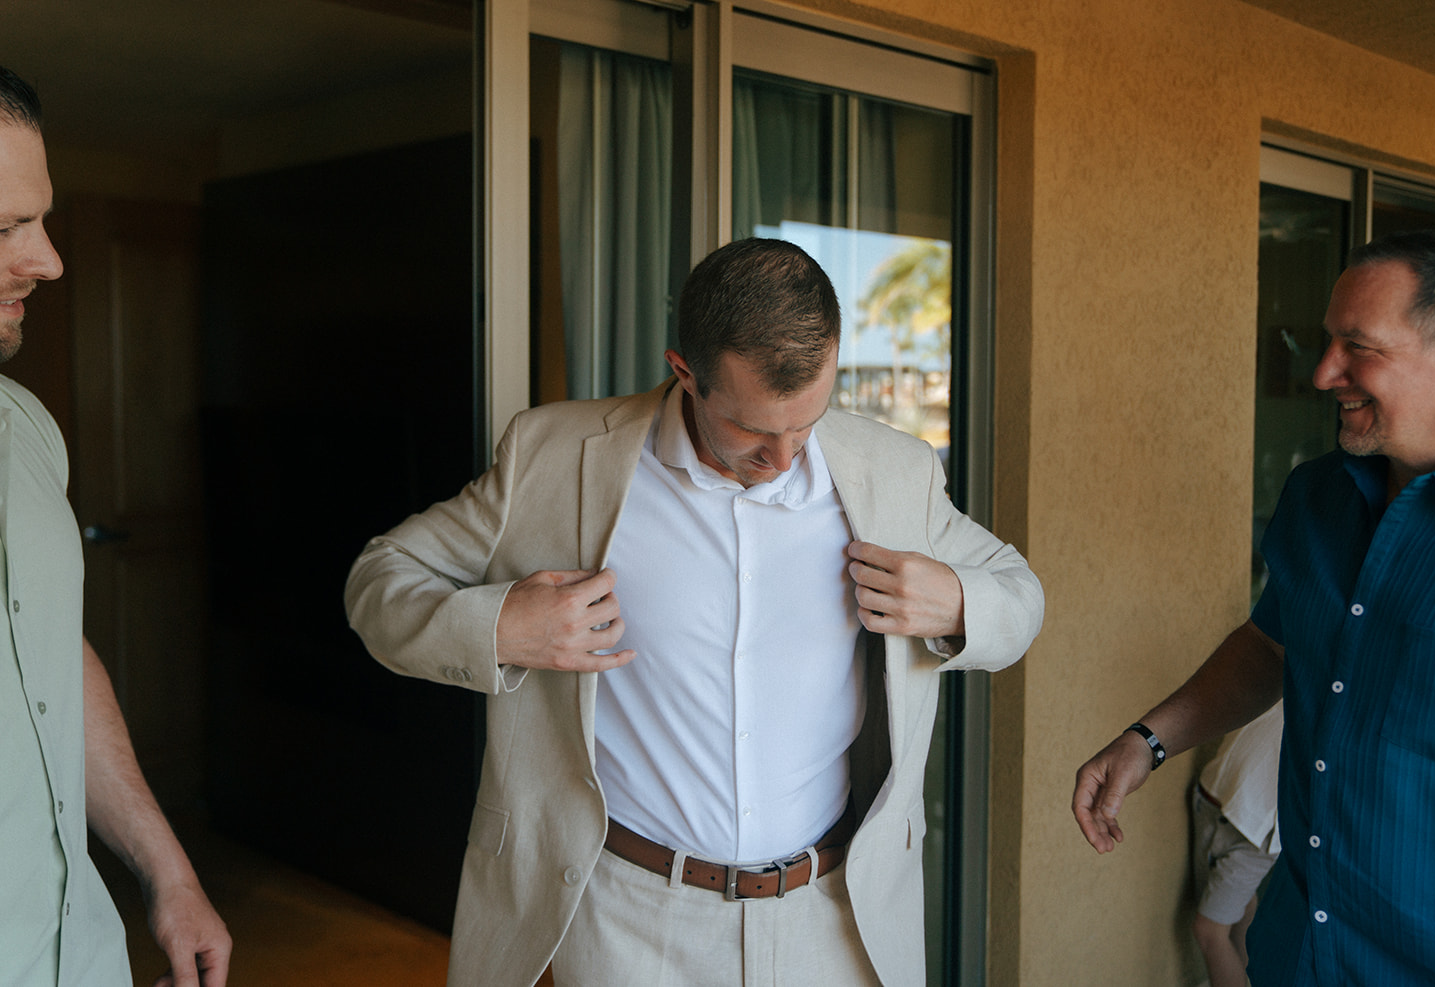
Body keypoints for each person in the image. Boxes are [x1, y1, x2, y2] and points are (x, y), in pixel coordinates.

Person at [345, 236, 1044, 987]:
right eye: (756, 430)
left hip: (832, 920)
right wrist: (502, 626)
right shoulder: (551, 455)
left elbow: (1020, 592)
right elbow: (379, 577)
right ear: (686, 373)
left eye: (807, 421)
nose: (786, 456)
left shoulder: (895, 471)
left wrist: (957, 601)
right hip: (629, 921)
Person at [1073, 229, 1435, 986]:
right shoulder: (1317, 496)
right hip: (1298, 960)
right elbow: (1275, 643)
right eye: (1327, 341)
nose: (1324, 372)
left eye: (1359, 346)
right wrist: (1150, 739)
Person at [0, 66, 231, 986]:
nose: (50, 259)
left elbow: (49, 653)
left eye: (40, 218)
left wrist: (166, 871)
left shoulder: (26, 428)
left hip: (79, 955)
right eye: (5, 227)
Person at [1190, 700, 1281, 987]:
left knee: (1208, 931)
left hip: (1258, 836)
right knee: (1240, 911)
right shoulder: (1285, 670)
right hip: (1212, 798)